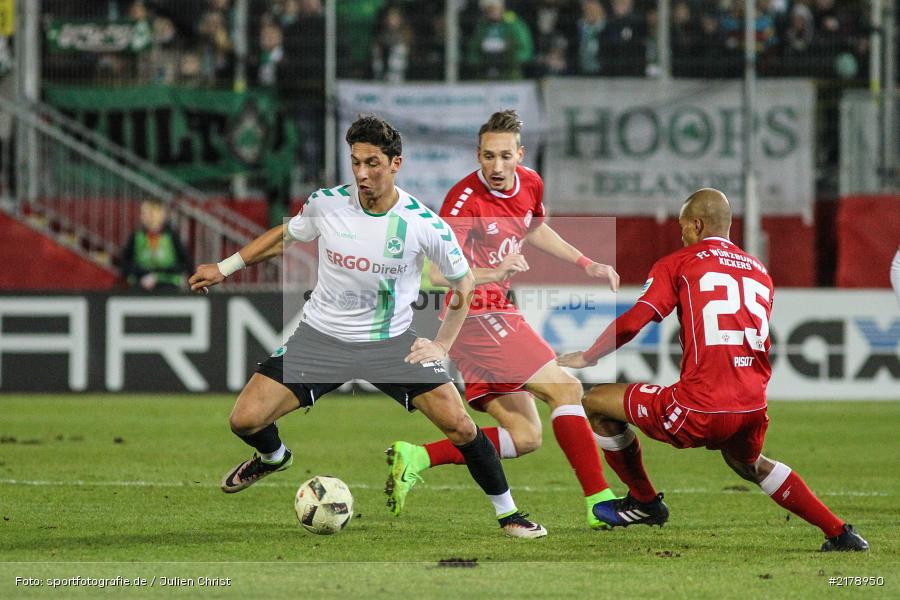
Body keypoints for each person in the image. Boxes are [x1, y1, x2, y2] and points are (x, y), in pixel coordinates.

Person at [188, 115, 546, 538]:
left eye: (372, 163)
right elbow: (286, 236)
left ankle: (510, 515)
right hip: (320, 340)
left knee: (461, 426)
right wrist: (225, 267)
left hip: (391, 344)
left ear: (396, 163)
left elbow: (464, 283)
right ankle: (273, 457)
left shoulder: (423, 224)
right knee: (243, 421)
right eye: (355, 162)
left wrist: (443, 345)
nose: (362, 173)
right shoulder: (326, 203)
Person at [558, 188, 869, 552]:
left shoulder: (679, 262)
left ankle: (644, 502)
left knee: (595, 401)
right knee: (749, 465)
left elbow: (634, 322)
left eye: (683, 227)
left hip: (698, 406)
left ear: (697, 224)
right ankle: (840, 533)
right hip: (752, 408)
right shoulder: (760, 271)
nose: (681, 235)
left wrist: (589, 356)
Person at [386, 109, 621, 530]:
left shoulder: (530, 183)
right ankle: (599, 502)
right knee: (566, 388)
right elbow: (439, 274)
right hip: (475, 313)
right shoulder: (463, 201)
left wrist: (585, 263)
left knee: (526, 436)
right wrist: (495, 272)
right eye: (488, 156)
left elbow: (534, 229)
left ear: (519, 155)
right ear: (478, 154)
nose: (496, 167)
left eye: (505, 157)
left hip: (492, 313)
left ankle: (418, 455)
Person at [120, 199, 192, 291]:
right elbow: (125, 263)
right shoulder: (136, 236)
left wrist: (157, 275)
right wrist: (142, 274)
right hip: (141, 286)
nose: (145, 216)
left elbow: (186, 263)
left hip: (169, 286)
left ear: (160, 215)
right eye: (143, 213)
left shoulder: (171, 236)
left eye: (150, 213)